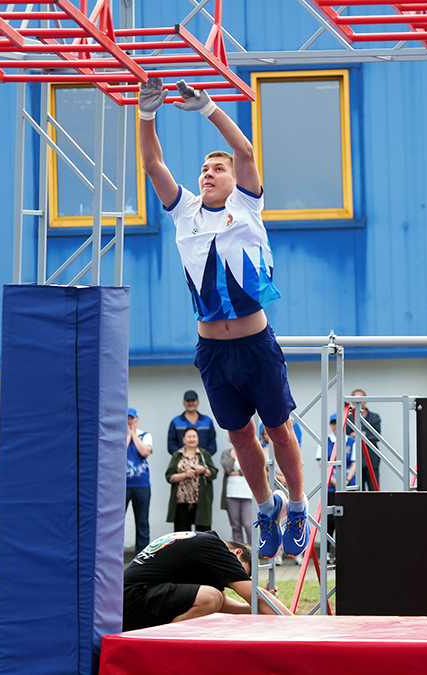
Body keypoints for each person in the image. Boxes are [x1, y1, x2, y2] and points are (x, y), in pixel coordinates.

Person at [139, 76, 308, 560]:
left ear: (235, 180)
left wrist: (209, 107)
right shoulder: (184, 211)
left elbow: (247, 151)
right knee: (239, 434)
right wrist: (146, 114)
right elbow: (152, 163)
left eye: (218, 168)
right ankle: (265, 503)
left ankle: (295, 504)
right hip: (213, 350)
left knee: (278, 428)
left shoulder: (247, 204)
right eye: (204, 169)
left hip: (255, 344)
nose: (208, 174)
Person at [122, 530, 293, 631]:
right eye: (240, 571)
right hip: (134, 597)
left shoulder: (202, 548)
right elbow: (254, 595)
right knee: (210, 596)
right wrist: (296, 624)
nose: (231, 581)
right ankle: (165, 650)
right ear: (237, 553)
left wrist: (260, 609)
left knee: (213, 597)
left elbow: (224, 604)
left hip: (127, 601)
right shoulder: (215, 547)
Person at [317, 413, 357, 562]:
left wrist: (346, 480)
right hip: (331, 487)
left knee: (346, 520)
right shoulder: (325, 442)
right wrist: (333, 481)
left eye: (338, 423)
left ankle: (344, 552)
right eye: (333, 423)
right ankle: (326, 552)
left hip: (348, 486)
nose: (335, 426)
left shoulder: (351, 441)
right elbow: (322, 463)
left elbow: (354, 463)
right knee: (329, 520)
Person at [166, 427, 218, 532]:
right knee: (182, 534)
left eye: (194, 436)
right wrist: (185, 475)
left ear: (198, 439)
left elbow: (213, 473)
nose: (192, 439)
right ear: (183, 439)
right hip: (181, 501)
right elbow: (169, 476)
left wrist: (203, 470)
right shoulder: (177, 455)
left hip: (201, 501)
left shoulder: (204, 454)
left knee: (203, 533)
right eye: (189, 437)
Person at [125, 407, 153, 553]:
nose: (129, 421)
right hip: (122, 486)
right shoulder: (119, 435)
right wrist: (128, 435)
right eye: (127, 418)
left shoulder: (145, 435)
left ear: (137, 419)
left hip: (142, 485)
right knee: (117, 522)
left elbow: (144, 451)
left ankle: (142, 554)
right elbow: (120, 451)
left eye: (132, 418)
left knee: (142, 521)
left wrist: (134, 434)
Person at [166, 390, 217, 456]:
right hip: (182, 461)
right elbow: (171, 444)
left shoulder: (207, 421)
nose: (190, 403)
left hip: (203, 462)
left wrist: (204, 457)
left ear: (197, 402)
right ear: (184, 403)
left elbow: (212, 443)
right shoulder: (175, 422)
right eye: (188, 401)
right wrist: (182, 456)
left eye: (193, 400)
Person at [349, 389, 382, 491]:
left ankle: (376, 507)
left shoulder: (374, 417)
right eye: (356, 399)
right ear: (352, 401)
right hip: (355, 459)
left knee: (374, 489)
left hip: (372, 458)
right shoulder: (349, 418)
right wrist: (364, 434)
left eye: (362, 399)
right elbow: (346, 437)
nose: (359, 402)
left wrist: (359, 434)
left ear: (366, 400)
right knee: (359, 490)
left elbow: (376, 436)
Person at [220, 445, 253, 545]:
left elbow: (252, 468)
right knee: (235, 526)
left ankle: (253, 554)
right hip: (231, 493)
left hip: (247, 494)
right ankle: (239, 553)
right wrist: (234, 453)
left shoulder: (250, 450)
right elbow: (227, 467)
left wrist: (237, 472)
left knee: (248, 525)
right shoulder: (227, 452)